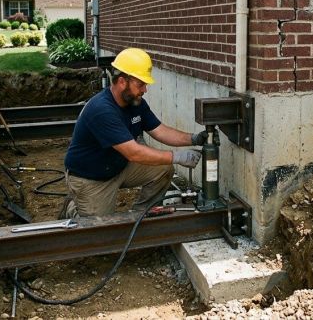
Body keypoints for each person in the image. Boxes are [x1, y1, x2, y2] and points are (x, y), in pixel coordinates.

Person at [60, 47, 208, 218]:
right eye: (140, 84)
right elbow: (134, 153)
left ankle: (140, 215)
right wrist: (178, 157)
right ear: (122, 81)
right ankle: (72, 209)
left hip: (118, 167)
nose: (145, 90)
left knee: (163, 168)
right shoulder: (102, 110)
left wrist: (193, 138)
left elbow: (160, 131)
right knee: (99, 230)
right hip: (91, 178)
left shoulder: (136, 103)